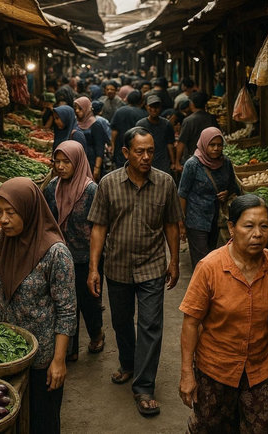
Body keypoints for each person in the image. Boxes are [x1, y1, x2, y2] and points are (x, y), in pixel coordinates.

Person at [179, 194, 268, 433]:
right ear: (232, 227)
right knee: (211, 427)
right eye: (249, 226)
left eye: (264, 226)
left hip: (260, 369)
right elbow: (191, 323)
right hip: (215, 370)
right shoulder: (210, 267)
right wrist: (186, 374)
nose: (257, 233)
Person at [87, 127, 183, 417]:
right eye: (139, 151)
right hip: (117, 265)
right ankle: (128, 363)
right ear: (126, 153)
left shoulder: (165, 182)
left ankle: (144, 387)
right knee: (121, 321)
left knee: (151, 325)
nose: (146, 156)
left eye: (150, 151)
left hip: (152, 264)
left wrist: (175, 260)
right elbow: (99, 227)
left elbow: (171, 224)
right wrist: (94, 268)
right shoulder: (108, 183)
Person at [0, 177, 77, 434]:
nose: (3, 219)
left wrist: (59, 360)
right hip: (6, 352)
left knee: (42, 420)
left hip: (42, 358)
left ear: (30, 210)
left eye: (11, 212)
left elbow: (66, 310)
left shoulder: (55, 253)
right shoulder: (1, 240)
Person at [44, 141, 104, 362]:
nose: (60, 166)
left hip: (87, 257)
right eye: (57, 161)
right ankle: (71, 349)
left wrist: (94, 265)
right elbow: (48, 221)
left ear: (77, 162)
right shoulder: (52, 187)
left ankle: (97, 333)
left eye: (66, 162)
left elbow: (100, 226)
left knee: (89, 301)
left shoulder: (91, 190)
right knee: (66, 302)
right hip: (61, 257)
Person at [178, 127, 240, 269]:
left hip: (215, 219)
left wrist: (226, 193)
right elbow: (182, 194)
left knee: (212, 256)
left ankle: (210, 287)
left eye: (219, 145)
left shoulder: (226, 163)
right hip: (196, 219)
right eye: (212, 145)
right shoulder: (192, 164)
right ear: (204, 144)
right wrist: (181, 223)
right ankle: (202, 288)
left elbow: (233, 187)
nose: (216, 149)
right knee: (202, 259)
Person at [175, 92, 219, 171]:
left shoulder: (188, 121)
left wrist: (177, 163)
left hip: (193, 159)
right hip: (210, 159)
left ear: (192, 104)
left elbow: (181, 143)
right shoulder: (211, 118)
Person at [136, 95, 175, 173]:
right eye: (151, 107)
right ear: (146, 107)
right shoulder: (141, 124)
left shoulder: (166, 124)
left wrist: (173, 162)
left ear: (160, 108)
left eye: (156, 107)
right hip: (145, 161)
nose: (154, 109)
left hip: (163, 162)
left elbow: (170, 144)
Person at [111, 90, 147, 168]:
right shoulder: (143, 114)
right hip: (137, 148)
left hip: (120, 148)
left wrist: (113, 146)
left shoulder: (119, 111)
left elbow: (114, 131)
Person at [74, 96, 107, 181]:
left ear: (86, 109)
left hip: (91, 162)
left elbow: (99, 148)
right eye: (76, 108)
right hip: (78, 161)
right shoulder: (76, 123)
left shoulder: (96, 125)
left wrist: (97, 168)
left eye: (80, 108)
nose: (77, 111)